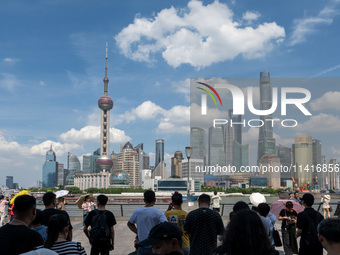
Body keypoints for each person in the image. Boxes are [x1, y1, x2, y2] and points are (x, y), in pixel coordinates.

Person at [127, 190, 168, 255]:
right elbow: (166, 225)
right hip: (154, 245)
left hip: (142, 245)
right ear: (155, 199)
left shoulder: (137, 211)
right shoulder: (158, 212)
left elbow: (130, 224)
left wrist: (138, 232)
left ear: (144, 200)